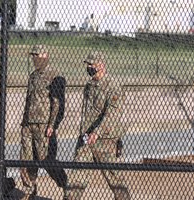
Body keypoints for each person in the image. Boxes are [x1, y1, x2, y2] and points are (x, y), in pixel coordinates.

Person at [63, 51, 131, 200]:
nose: (88, 67)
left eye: (91, 64)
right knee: (76, 177)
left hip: (105, 140)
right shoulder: (89, 86)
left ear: (101, 65)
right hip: (87, 138)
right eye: (87, 64)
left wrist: (97, 132)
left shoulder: (113, 86)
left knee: (115, 179)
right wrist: (84, 132)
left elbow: (112, 114)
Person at [20, 45, 67, 200]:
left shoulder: (54, 76)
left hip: (43, 125)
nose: (34, 58)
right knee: (26, 160)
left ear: (46, 55)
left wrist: (52, 125)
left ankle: (65, 184)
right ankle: (29, 191)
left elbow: (57, 103)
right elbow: (28, 100)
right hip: (28, 124)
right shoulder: (33, 76)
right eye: (32, 55)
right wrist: (24, 122)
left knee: (45, 160)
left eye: (37, 54)